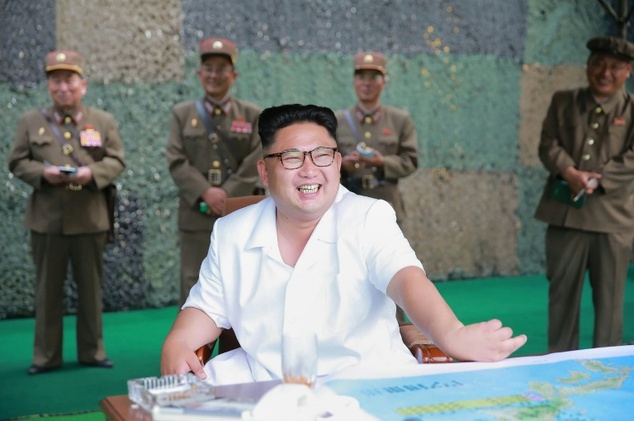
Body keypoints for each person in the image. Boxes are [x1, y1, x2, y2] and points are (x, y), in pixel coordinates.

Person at [161, 103, 527, 385]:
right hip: (266, 384)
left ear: (337, 164)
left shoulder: (369, 217)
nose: (309, 170)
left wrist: (452, 334)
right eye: (291, 157)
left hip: (362, 383)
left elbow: (407, 280)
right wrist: (178, 340)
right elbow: (207, 310)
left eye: (322, 155)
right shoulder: (232, 231)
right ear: (264, 171)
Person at [8, 50, 125, 375]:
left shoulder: (102, 121)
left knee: (91, 289)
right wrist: (42, 174)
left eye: (69, 80)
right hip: (47, 220)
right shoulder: (31, 121)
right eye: (56, 80)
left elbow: (116, 160)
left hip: (90, 218)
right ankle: (46, 356)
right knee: (47, 291)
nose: (63, 87)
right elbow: (16, 162)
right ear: (49, 86)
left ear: (82, 85)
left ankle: (92, 352)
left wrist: (93, 175)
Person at [534, 36, 634, 353]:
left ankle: (607, 369)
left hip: (613, 220)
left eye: (615, 67)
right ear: (588, 66)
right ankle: (559, 365)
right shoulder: (564, 101)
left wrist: (598, 179)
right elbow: (548, 144)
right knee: (562, 298)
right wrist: (569, 173)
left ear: (628, 71)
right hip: (566, 217)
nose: (606, 73)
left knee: (609, 303)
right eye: (599, 64)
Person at [167, 37, 262, 306]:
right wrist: (205, 192)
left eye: (222, 69)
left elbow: (257, 159)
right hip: (196, 213)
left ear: (234, 75)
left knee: (241, 284)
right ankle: (193, 349)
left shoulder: (252, 114)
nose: (214, 75)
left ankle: (239, 348)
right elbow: (176, 159)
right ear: (199, 74)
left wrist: (228, 196)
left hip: (239, 213)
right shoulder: (182, 114)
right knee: (194, 283)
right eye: (208, 68)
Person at [334, 51, 419, 323]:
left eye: (374, 77)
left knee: (392, 271)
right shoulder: (337, 119)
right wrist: (342, 166)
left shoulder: (399, 119)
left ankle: (397, 332)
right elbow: (325, 160)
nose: (367, 82)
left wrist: (383, 162)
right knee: (348, 273)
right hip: (349, 204)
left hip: (387, 205)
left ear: (384, 81)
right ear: (354, 82)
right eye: (361, 76)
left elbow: (410, 161)